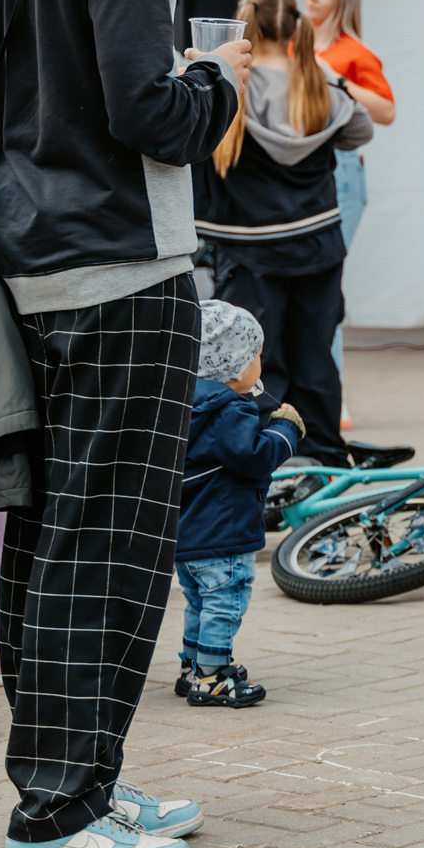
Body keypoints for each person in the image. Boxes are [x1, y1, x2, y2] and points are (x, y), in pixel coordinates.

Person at [0, 0, 244, 848]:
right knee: (109, 546)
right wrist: (216, 84)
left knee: (44, 537)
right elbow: (145, 108)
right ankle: (57, 814)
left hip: (28, 263)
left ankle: (72, 774)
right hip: (122, 269)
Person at [195, 0, 373, 463]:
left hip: (247, 248)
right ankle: (327, 470)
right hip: (318, 243)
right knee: (316, 361)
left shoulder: (231, 87)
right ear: (296, 27)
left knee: (252, 363)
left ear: (244, 24)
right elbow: (362, 131)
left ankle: (260, 465)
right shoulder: (319, 86)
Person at [174, 300, 303, 708]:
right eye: (257, 357)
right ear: (234, 367)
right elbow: (254, 457)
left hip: (190, 532)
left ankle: (192, 666)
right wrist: (285, 430)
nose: (260, 366)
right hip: (223, 531)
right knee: (226, 600)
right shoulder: (229, 410)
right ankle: (212, 677)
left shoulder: (185, 404)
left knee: (199, 600)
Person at [302, 0, 396, 441]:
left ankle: (330, 396)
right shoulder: (304, 50)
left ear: (341, 1)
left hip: (340, 174)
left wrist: (334, 79)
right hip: (308, 172)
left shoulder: (351, 54)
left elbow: (386, 110)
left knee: (325, 283)